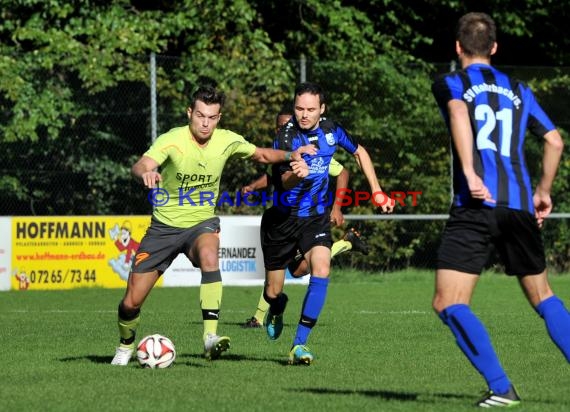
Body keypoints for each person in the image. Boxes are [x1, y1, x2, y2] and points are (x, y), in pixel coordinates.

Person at [111, 85, 315, 365]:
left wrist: (291, 155)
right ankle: (125, 346)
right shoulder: (172, 140)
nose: (205, 122)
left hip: (201, 224)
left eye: (212, 117)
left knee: (210, 254)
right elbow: (140, 165)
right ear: (189, 113)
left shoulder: (226, 140)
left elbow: (262, 155)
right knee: (131, 302)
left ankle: (210, 338)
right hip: (164, 228)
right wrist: (147, 172)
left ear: (219, 118)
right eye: (200, 115)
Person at [431, 12, 570, 407]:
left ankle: (501, 388)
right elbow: (555, 141)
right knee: (544, 297)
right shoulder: (519, 89)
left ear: (458, 48)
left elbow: (459, 112)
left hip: (475, 205)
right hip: (521, 207)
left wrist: (473, 174)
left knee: (449, 302)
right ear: (494, 48)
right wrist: (543, 190)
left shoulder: (452, 83)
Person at [260, 82, 394, 365]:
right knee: (274, 292)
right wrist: (299, 172)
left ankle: (299, 344)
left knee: (321, 267)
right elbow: (283, 183)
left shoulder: (332, 130)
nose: (304, 115)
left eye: (310, 109)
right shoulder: (286, 137)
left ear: (322, 109)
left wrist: (377, 191)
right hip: (282, 221)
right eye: (299, 108)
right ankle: (278, 305)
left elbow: (360, 152)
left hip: (314, 217)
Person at [241, 109, 370, 329]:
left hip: (308, 219)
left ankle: (260, 318)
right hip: (282, 220)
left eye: (288, 124)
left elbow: (343, 172)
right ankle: (346, 243)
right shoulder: (280, 149)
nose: (285, 129)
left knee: (304, 268)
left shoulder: (312, 150)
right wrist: (253, 186)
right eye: (281, 126)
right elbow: (275, 176)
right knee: (296, 270)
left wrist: (337, 208)